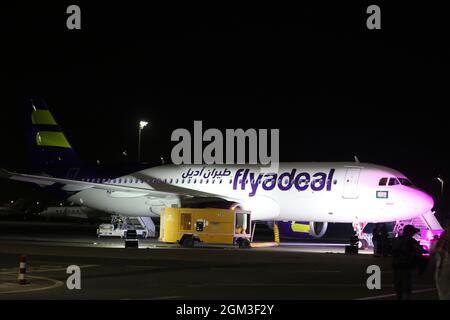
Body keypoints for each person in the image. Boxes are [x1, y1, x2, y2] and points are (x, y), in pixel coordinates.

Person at [391, 225, 423, 300]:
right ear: (409, 232)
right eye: (412, 232)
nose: (413, 234)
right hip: (407, 266)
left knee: (398, 287)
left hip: (396, 265)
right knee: (407, 287)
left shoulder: (396, 240)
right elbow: (418, 252)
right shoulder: (411, 241)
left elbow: (392, 251)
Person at [431, 227, 450, 300]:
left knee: (444, 292)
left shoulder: (440, 243)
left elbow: (432, 252)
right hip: (443, 266)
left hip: (443, 267)